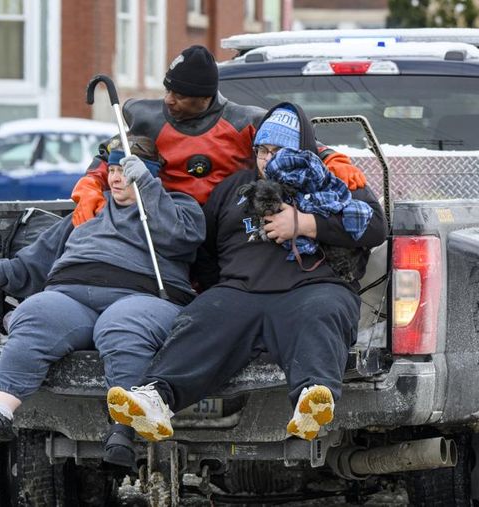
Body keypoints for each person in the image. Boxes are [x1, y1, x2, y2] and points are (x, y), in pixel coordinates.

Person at [105, 103, 387, 443]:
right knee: (201, 317)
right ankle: (156, 399)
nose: (268, 160)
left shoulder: (327, 181)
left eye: (278, 151)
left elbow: (375, 226)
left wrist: (306, 223)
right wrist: (218, 289)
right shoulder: (231, 189)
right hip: (240, 291)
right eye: (262, 151)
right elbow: (204, 251)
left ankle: (311, 400)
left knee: (321, 314)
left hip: (313, 286)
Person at [0, 136, 205, 469]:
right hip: (71, 294)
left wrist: (149, 189)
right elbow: (42, 253)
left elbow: (183, 238)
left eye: (128, 170)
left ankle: (122, 429)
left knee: (121, 326)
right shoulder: (93, 206)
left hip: (142, 297)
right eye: (114, 169)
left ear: (148, 172)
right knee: (35, 313)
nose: (118, 178)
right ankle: (0, 413)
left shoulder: (177, 206)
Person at [71, 45, 367, 226]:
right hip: (165, 227)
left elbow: (299, 144)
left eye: (180, 95)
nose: (169, 100)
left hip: (228, 229)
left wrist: (333, 159)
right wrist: (89, 186)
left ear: (205, 97)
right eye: (167, 90)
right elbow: (110, 156)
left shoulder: (243, 121)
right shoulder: (146, 117)